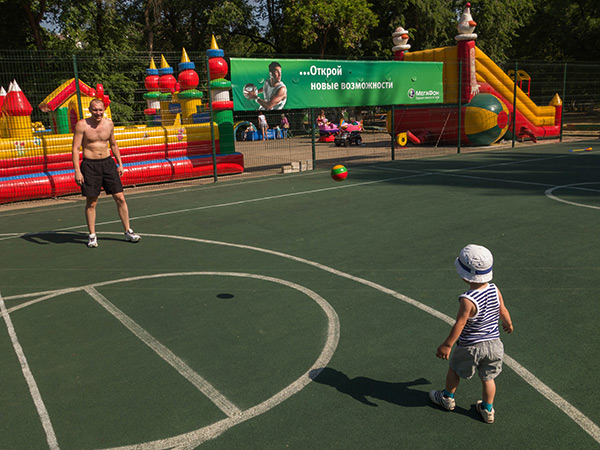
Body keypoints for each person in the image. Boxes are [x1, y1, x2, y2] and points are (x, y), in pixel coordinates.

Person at [429, 244, 513, 423]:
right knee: (488, 378)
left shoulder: (468, 299)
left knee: (454, 369)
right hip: (494, 345)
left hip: (470, 347)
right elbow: (503, 310)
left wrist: (447, 345)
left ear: (464, 275)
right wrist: (508, 323)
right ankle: (487, 409)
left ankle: (447, 398)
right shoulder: (494, 289)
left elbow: (460, 323)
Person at [72, 98, 141, 248]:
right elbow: (75, 149)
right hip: (90, 166)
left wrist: (120, 164)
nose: (98, 113)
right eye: (95, 110)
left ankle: (128, 231)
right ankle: (92, 236)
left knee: (120, 198)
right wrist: (77, 171)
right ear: (90, 110)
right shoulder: (82, 125)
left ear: (104, 110)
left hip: (108, 164)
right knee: (92, 202)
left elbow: (113, 144)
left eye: (100, 110)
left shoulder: (109, 124)